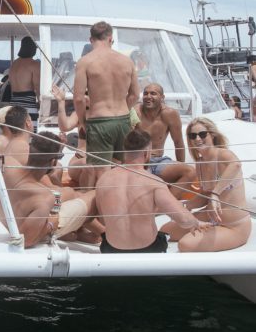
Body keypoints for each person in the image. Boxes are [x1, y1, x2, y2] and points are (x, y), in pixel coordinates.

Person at [96, 128, 210, 253]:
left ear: (124, 152)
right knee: (162, 236)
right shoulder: (153, 182)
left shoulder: (104, 180)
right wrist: (196, 222)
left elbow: (103, 218)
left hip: (112, 249)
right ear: (147, 153)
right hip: (147, 249)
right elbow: (183, 220)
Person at [164, 118, 251, 252]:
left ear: (212, 135)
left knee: (185, 244)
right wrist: (187, 206)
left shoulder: (224, 155)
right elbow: (205, 194)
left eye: (202, 134)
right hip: (210, 219)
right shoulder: (200, 163)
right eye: (193, 136)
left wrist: (216, 193)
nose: (197, 139)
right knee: (165, 231)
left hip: (234, 226)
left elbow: (236, 165)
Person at [0, 133, 98, 248]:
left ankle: (83, 232)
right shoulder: (44, 198)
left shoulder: (4, 165)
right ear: (53, 162)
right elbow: (25, 241)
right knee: (94, 195)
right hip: (38, 232)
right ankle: (105, 234)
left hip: (12, 224)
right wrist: (51, 225)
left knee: (71, 194)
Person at [73, 21, 139, 182]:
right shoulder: (127, 62)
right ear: (110, 39)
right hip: (123, 120)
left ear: (91, 40)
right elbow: (135, 95)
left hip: (100, 121)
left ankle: (104, 206)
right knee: (123, 169)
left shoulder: (85, 62)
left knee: (100, 172)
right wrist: (124, 109)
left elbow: (79, 98)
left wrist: (82, 122)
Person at [133, 83, 196, 198]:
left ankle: (165, 204)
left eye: (153, 93)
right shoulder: (136, 112)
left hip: (159, 161)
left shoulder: (170, 114)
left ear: (162, 97)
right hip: (139, 162)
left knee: (190, 172)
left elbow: (178, 143)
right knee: (142, 182)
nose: (148, 96)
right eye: (146, 93)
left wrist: (179, 165)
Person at [8, 36, 41, 123]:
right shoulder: (34, 64)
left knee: (15, 133)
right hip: (28, 105)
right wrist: (42, 105)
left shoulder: (14, 64)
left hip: (13, 105)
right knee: (30, 134)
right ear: (32, 49)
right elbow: (37, 86)